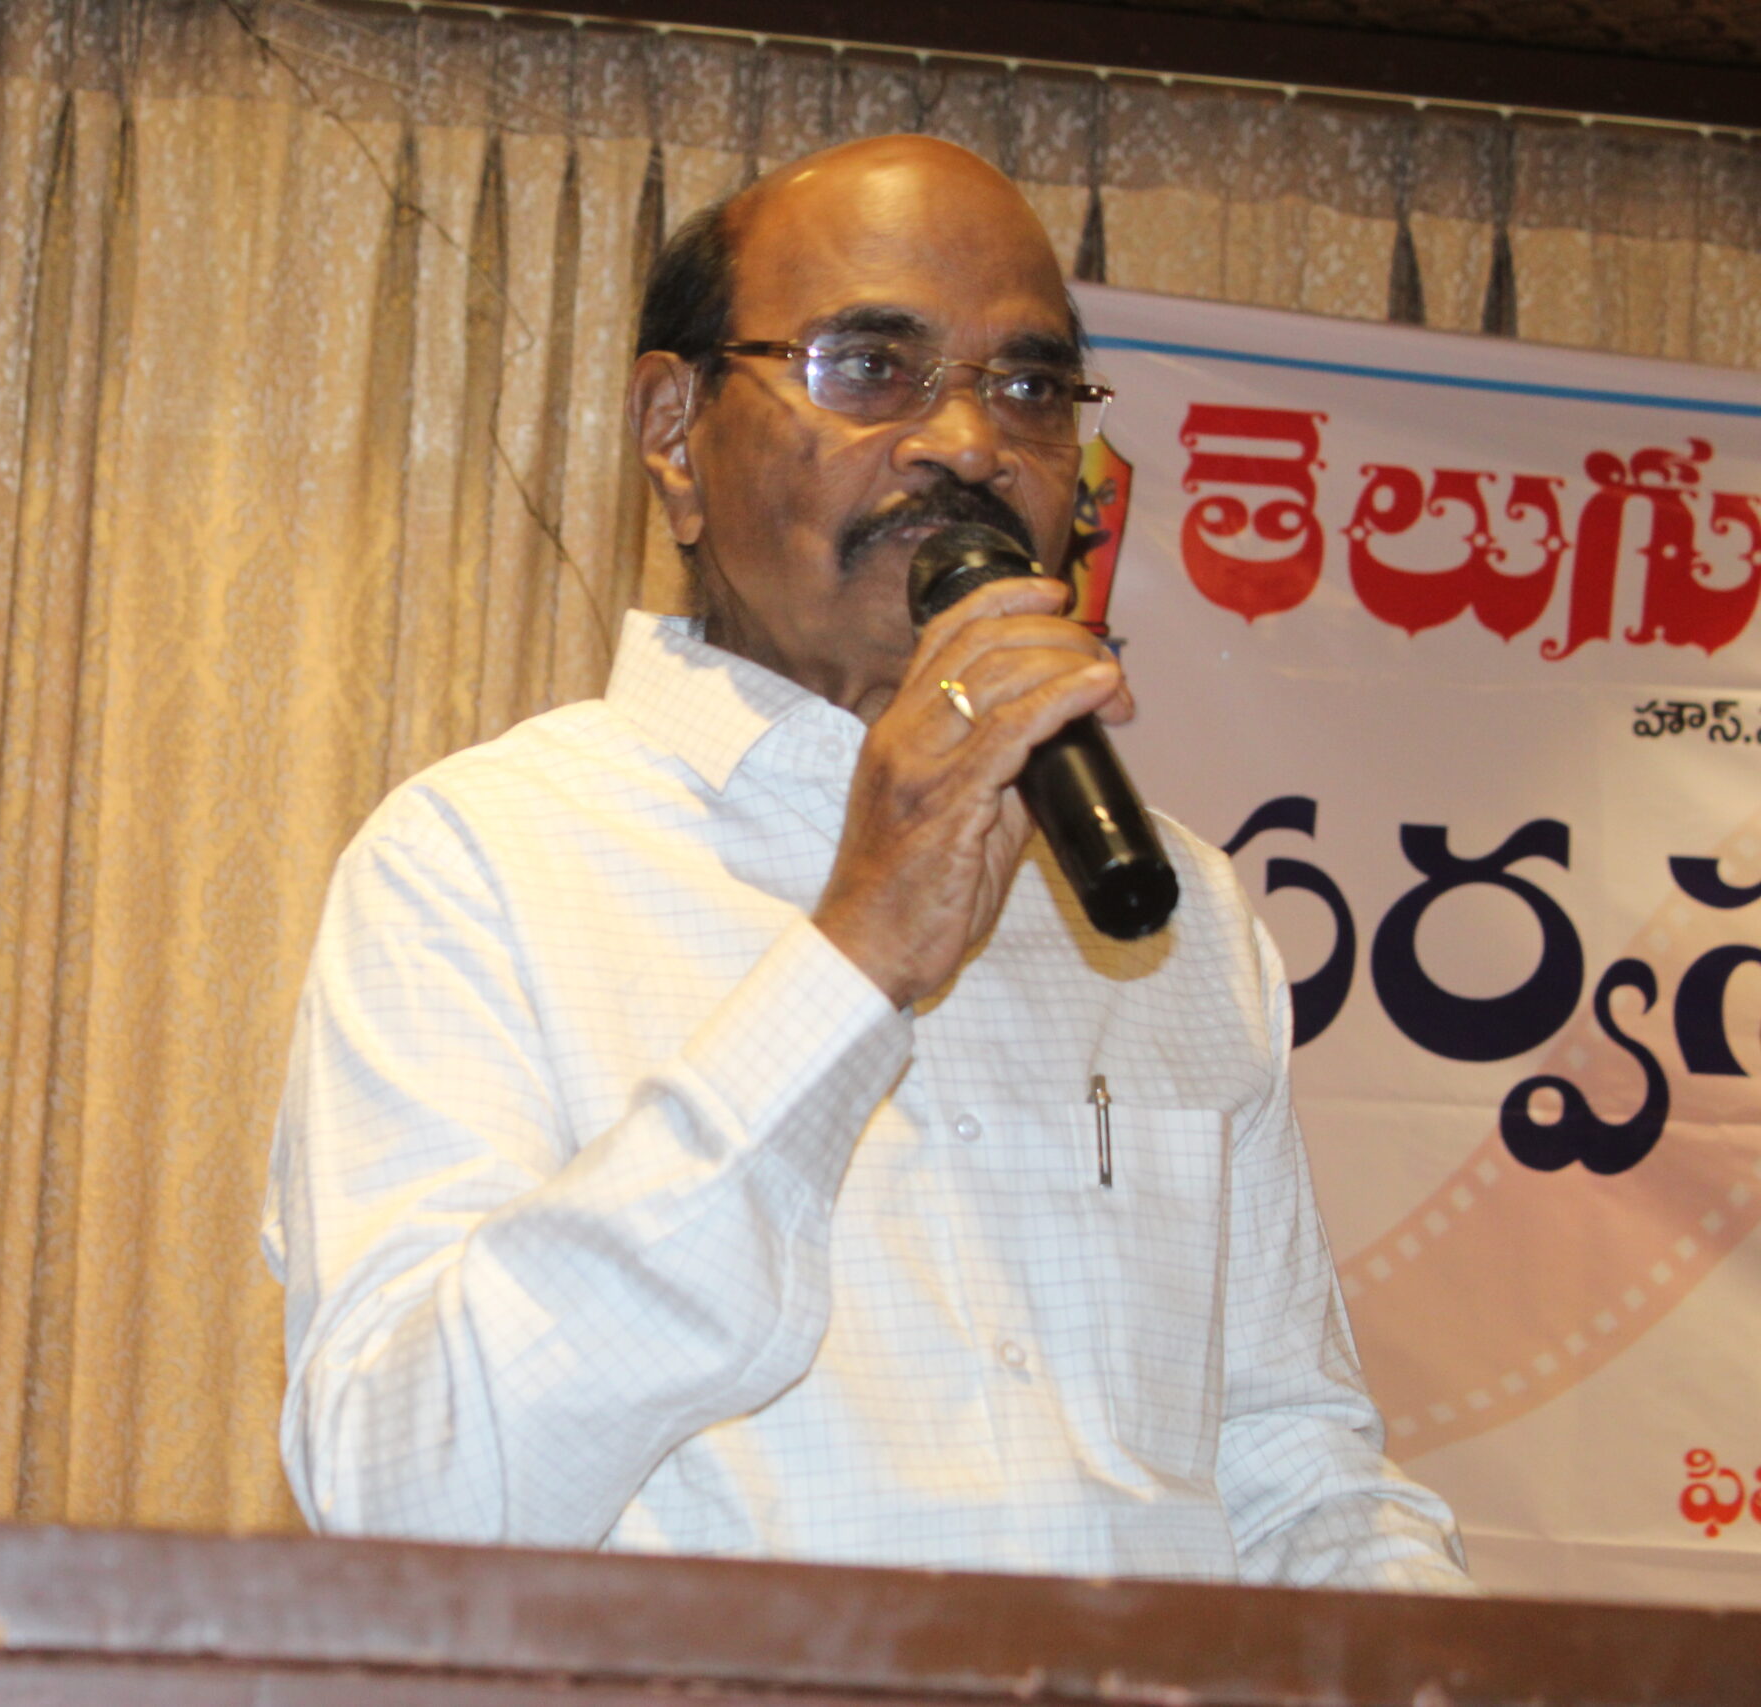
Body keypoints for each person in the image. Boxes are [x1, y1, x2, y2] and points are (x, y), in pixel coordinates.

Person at [262, 134, 1470, 1590]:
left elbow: (1290, 1464)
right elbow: (409, 1491)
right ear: (673, 431)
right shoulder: (480, 863)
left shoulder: (1181, 905)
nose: (968, 443)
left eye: (1030, 389)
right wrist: (852, 961)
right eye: (871, 368)